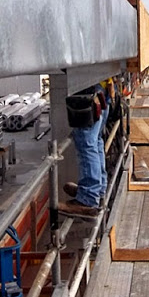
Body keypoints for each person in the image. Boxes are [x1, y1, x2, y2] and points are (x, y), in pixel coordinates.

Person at [58, 84, 108, 218]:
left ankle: (87, 198)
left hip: (88, 93)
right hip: (98, 90)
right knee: (95, 141)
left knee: (86, 143)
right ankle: (97, 189)